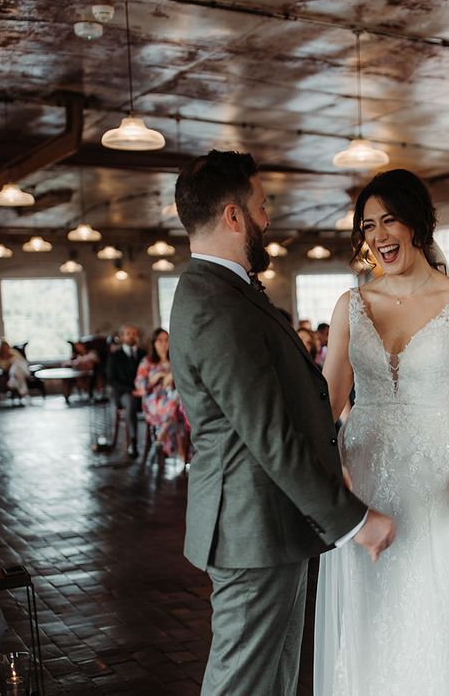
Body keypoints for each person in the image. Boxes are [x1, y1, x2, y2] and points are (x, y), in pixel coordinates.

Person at [169, 150, 395, 696]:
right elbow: (267, 431)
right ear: (233, 217)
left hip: (271, 525)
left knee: (273, 680)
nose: (267, 219)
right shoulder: (213, 303)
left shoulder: (228, 291)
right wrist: (352, 520)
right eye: (261, 206)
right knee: (241, 683)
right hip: (251, 528)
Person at [316, 169, 449, 695]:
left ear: (419, 224)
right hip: (366, 475)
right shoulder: (350, 305)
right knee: (372, 603)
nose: (379, 236)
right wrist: (318, 467)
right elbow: (328, 400)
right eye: (368, 225)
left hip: (441, 481)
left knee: (436, 604)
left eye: (390, 220)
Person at [134, 328, 187, 461]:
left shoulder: (175, 359)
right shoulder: (147, 362)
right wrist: (156, 377)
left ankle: (163, 433)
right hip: (154, 399)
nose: (164, 344)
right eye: (160, 340)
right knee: (176, 406)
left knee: (178, 404)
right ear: (154, 343)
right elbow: (140, 385)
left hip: (175, 397)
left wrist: (172, 377)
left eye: (167, 340)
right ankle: (182, 453)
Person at [106, 324, 146, 457]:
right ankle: (133, 442)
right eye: (128, 333)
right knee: (130, 401)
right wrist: (131, 390)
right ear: (122, 337)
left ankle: (159, 439)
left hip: (143, 392)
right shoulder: (115, 356)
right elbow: (111, 379)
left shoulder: (143, 354)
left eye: (134, 333)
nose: (132, 336)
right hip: (123, 394)